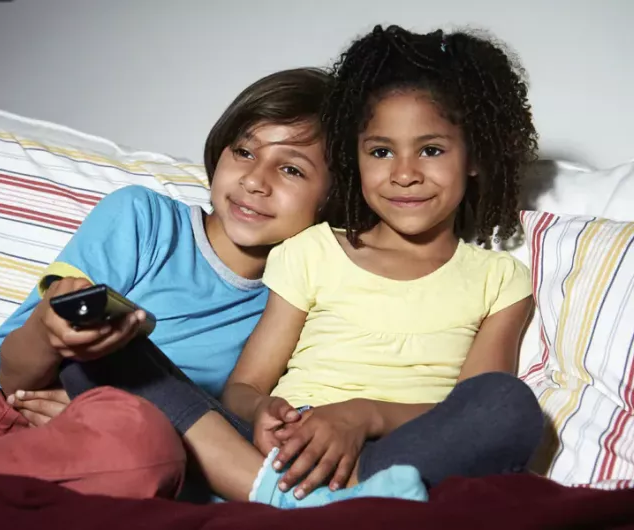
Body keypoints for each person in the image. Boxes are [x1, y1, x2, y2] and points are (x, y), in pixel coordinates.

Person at [60, 25, 544, 507]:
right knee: (104, 351)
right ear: (355, 160)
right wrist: (264, 413)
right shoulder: (313, 250)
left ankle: (301, 498)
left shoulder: (499, 279)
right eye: (380, 151)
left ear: (476, 156)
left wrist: (363, 417)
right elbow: (243, 388)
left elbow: (468, 405)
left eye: (431, 150)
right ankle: (297, 501)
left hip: (390, 451)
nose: (403, 173)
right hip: (277, 447)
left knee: (508, 405)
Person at [0, 67, 332, 500]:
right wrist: (48, 329)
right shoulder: (143, 218)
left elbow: (212, 444)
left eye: (290, 170)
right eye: (244, 152)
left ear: (334, 196)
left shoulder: (296, 303)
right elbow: (12, 372)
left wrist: (85, 414)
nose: (254, 181)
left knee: (143, 447)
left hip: (86, 452)